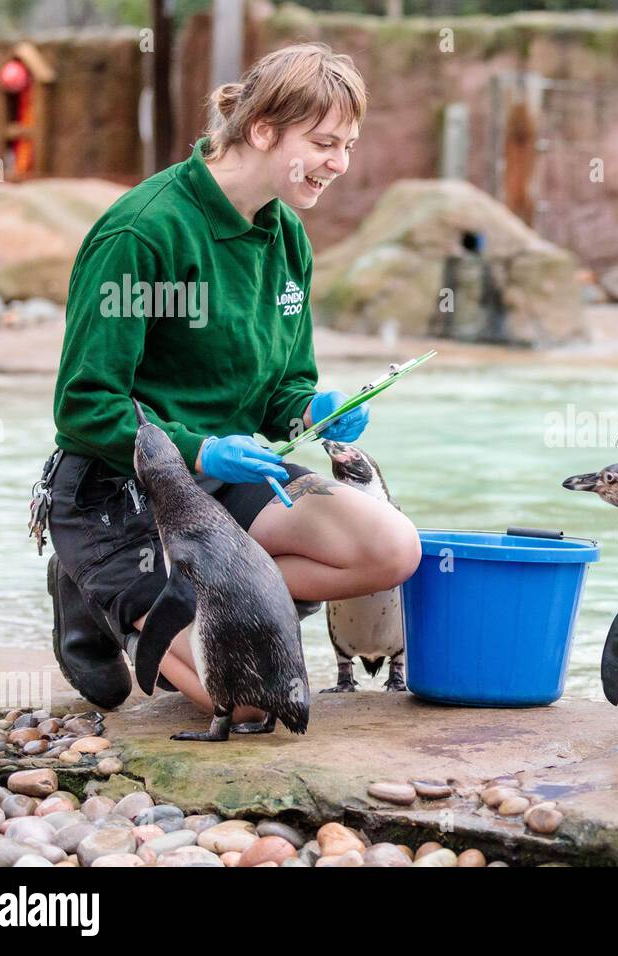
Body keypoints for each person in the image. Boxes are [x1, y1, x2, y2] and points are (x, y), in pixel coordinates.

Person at [39, 42, 421, 722]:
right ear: (263, 130)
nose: (341, 164)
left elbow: (284, 389)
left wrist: (313, 411)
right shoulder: (143, 232)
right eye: (326, 143)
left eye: (349, 146)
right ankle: (92, 581)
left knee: (392, 547)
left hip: (220, 488)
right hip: (121, 493)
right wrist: (196, 450)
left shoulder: (286, 237)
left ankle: (205, 602)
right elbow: (83, 407)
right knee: (245, 706)